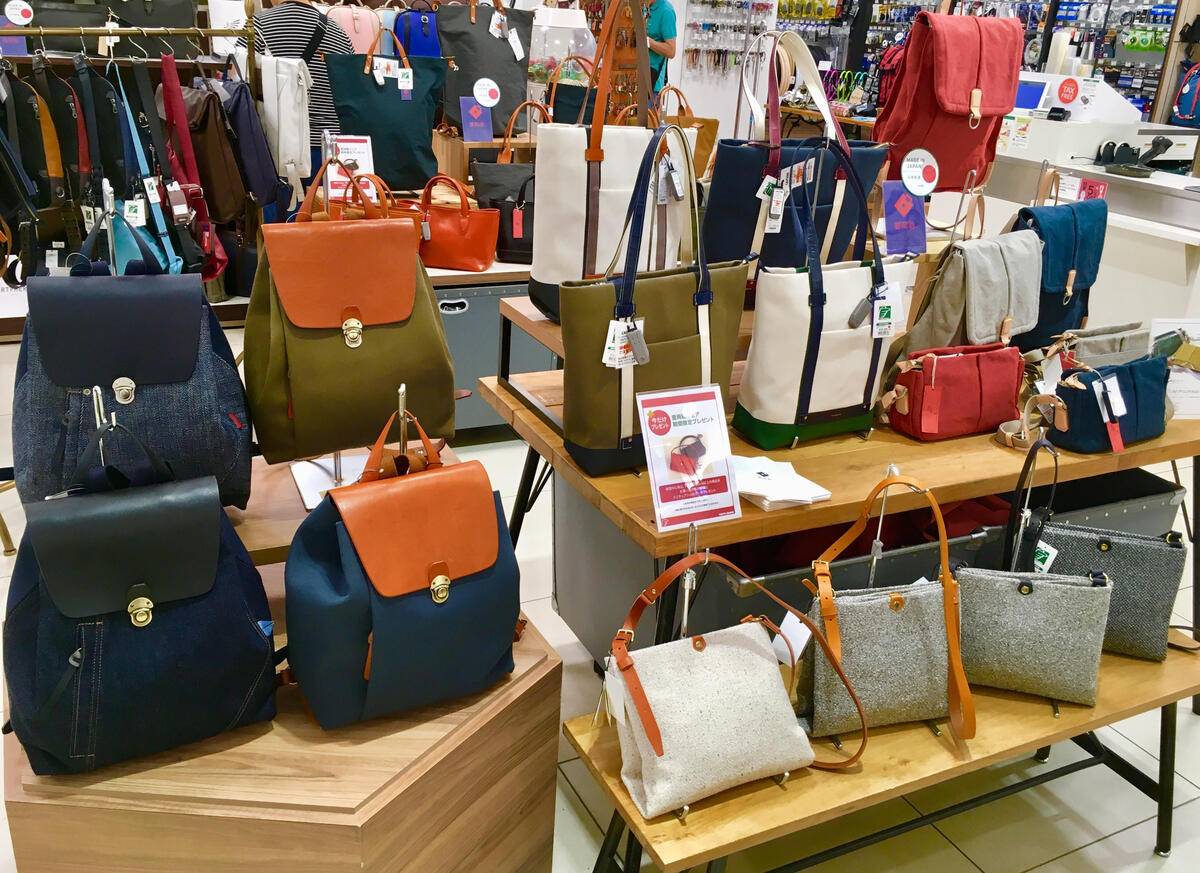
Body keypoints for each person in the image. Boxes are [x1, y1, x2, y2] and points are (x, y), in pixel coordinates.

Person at [238, 0, 354, 177]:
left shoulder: (257, 26)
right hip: (330, 153)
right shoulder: (339, 33)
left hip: (276, 151)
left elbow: (237, 83)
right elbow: (350, 91)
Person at [643, 0, 677, 95]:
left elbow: (671, 51)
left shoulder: (666, 11)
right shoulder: (643, 6)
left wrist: (648, 42)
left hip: (653, 82)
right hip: (634, 76)